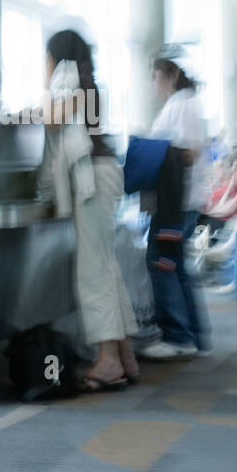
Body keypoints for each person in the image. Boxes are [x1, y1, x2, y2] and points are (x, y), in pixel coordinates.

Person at [36, 29, 140, 391]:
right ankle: (124, 354)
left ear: (57, 57)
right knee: (105, 267)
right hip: (102, 175)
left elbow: (52, 117)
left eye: (46, 57)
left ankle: (109, 361)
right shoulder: (87, 83)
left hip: (94, 179)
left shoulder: (76, 86)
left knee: (93, 271)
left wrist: (24, 113)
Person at [139, 51, 212, 359]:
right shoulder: (183, 103)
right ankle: (195, 337)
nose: (151, 82)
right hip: (181, 200)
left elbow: (189, 152)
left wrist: (150, 153)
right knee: (178, 266)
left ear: (169, 75)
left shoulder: (182, 105)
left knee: (161, 263)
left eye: (154, 76)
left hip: (176, 201)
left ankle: (178, 335)